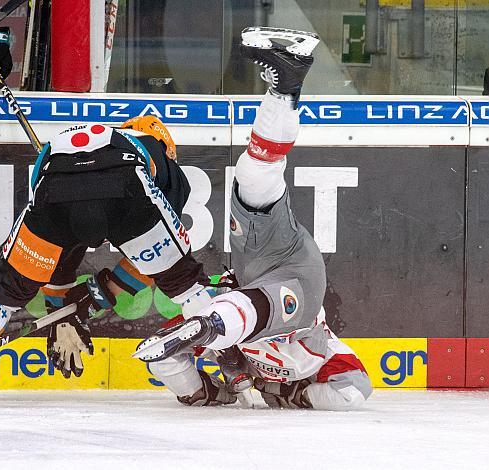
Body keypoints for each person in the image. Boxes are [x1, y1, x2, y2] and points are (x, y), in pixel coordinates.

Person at [134, 27, 373, 411]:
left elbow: (353, 388)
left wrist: (286, 394)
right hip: (281, 273)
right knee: (255, 173)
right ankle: (286, 86)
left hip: (276, 281)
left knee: (251, 177)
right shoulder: (316, 345)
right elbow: (160, 356)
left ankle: (286, 83)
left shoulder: (314, 355)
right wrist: (205, 391)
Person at [0, 115, 217, 400]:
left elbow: (59, 249)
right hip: (125, 186)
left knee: (8, 287)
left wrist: (58, 314)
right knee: (184, 282)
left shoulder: (75, 143)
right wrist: (101, 294)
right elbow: (158, 263)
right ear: (166, 144)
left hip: (54, 185)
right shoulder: (159, 154)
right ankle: (230, 354)